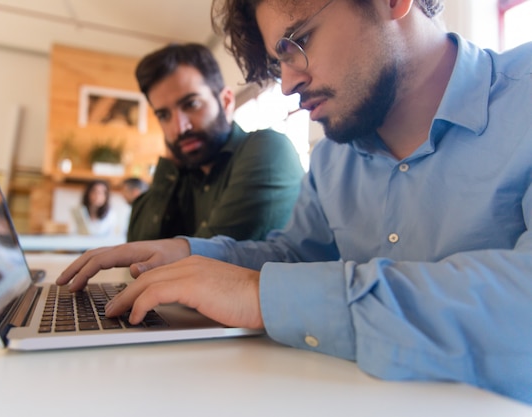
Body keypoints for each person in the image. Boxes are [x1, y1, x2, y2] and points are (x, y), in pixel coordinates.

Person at [57, 0, 532, 405]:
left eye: (298, 42)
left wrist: (262, 296)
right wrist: (191, 255)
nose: (286, 84)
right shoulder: (333, 161)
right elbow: (293, 255)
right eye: (278, 61)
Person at [126, 43, 304, 242]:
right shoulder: (184, 175)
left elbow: (210, 257)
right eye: (164, 115)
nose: (179, 128)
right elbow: (139, 250)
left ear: (226, 101)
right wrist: (169, 167)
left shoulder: (268, 149)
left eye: (191, 104)